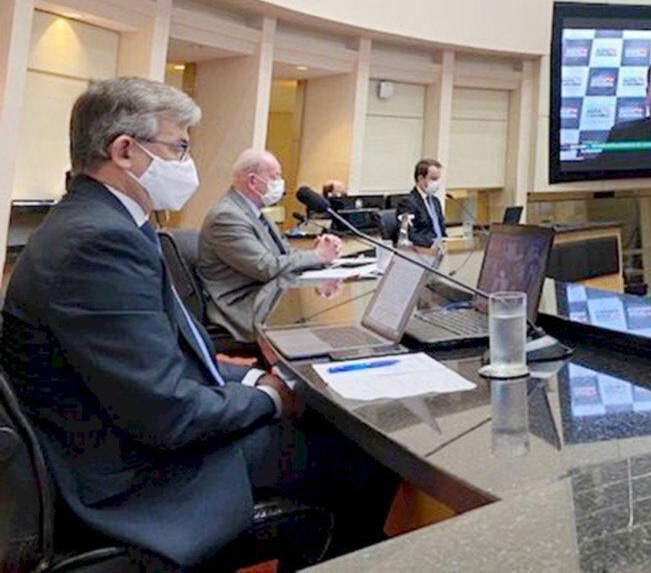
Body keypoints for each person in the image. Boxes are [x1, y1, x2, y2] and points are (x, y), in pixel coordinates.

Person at [0, 78, 393, 569]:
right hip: (130, 477)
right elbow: (169, 414)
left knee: (325, 423)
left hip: (126, 434)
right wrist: (271, 396)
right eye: (180, 147)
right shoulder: (96, 242)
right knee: (360, 453)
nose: (189, 162)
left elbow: (158, 364)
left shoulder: (101, 223)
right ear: (125, 150)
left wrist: (251, 378)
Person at [198, 149, 345, 342]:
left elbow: (286, 253)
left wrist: (316, 252)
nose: (280, 184)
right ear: (252, 181)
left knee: (329, 318)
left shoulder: (257, 213)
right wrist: (317, 256)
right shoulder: (227, 216)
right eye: (274, 177)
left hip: (271, 295)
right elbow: (266, 267)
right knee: (321, 330)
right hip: (244, 305)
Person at [399, 158, 447, 248]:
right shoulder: (407, 202)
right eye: (433, 179)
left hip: (440, 250)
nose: (436, 183)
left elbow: (442, 228)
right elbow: (410, 234)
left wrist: (445, 243)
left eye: (438, 179)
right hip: (422, 252)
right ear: (420, 178)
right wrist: (431, 245)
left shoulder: (435, 201)